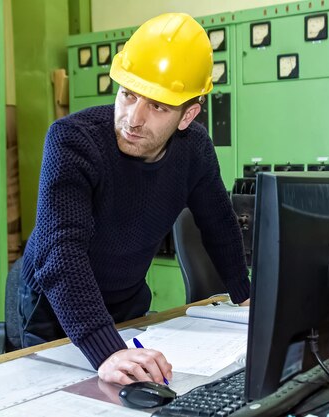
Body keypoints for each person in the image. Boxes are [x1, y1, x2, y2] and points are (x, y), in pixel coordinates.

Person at [17, 12, 251, 386]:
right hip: (55, 309)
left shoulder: (195, 150)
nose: (133, 119)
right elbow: (60, 251)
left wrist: (244, 298)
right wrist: (105, 349)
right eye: (128, 95)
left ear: (188, 115)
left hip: (127, 302)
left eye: (157, 106)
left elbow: (219, 223)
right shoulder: (72, 141)